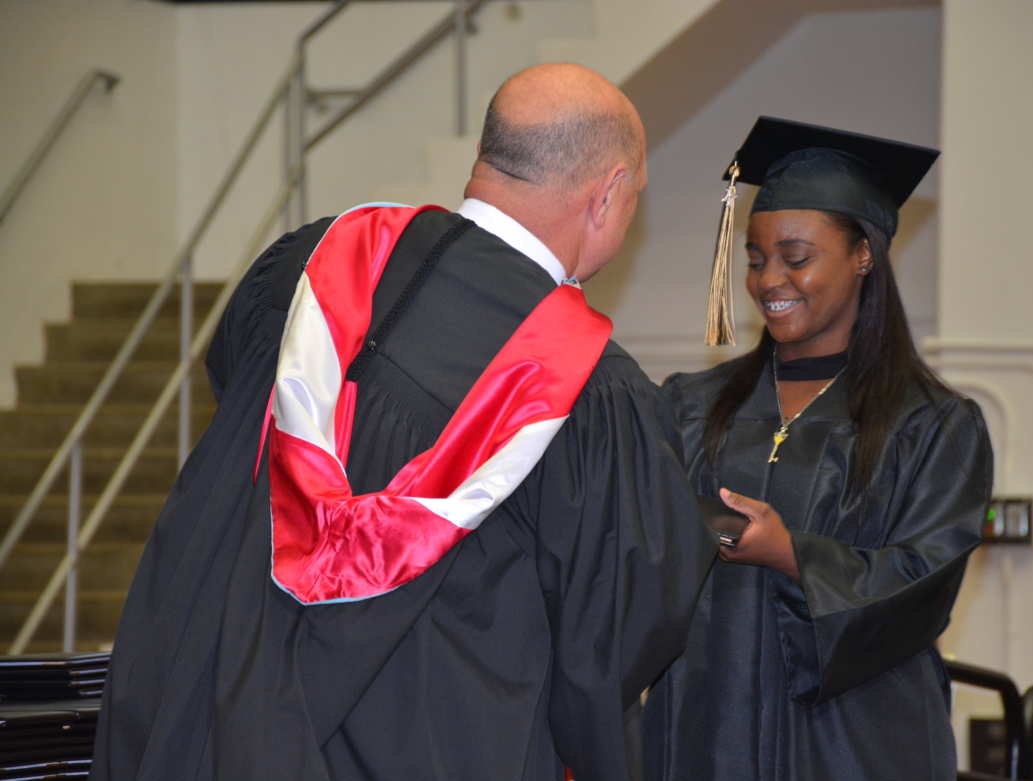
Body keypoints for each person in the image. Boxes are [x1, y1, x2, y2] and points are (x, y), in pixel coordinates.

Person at [92, 63, 714, 781]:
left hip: (205, 712)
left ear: (486, 156)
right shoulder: (590, 390)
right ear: (607, 193)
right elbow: (608, 637)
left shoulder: (307, 264)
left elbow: (234, 391)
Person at [641, 117, 994, 779]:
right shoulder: (690, 405)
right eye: (755, 259)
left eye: (796, 257)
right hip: (706, 728)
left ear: (864, 255)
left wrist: (790, 553)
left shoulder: (933, 424)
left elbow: (925, 580)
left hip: (853, 743)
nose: (768, 279)